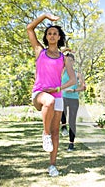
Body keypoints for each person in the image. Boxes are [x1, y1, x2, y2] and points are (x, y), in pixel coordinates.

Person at [26, 13, 76, 176]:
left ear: (59, 37)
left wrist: (57, 89)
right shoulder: (39, 51)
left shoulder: (64, 58)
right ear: (46, 37)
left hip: (57, 95)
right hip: (40, 93)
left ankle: (52, 165)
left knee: (56, 132)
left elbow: (73, 80)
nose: (52, 35)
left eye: (55, 33)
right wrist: (45, 16)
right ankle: (44, 133)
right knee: (48, 102)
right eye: (49, 33)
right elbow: (29, 28)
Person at [60, 52, 86, 151]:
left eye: (71, 61)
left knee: (72, 121)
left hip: (74, 98)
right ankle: (63, 126)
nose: (69, 63)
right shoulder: (62, 72)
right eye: (67, 61)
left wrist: (74, 90)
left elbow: (83, 87)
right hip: (63, 97)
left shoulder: (78, 74)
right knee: (61, 111)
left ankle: (71, 143)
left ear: (74, 62)